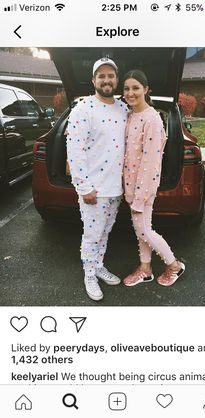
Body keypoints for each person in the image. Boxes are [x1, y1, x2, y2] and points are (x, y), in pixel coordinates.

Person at [66, 58, 128, 301]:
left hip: (116, 188)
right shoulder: (83, 109)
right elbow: (75, 149)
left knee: (105, 232)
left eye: (110, 75)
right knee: (91, 234)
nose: (106, 80)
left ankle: (98, 266)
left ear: (116, 80)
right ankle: (89, 274)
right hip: (94, 189)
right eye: (101, 76)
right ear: (93, 81)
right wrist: (83, 187)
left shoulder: (123, 109)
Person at [122, 69, 185, 287]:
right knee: (141, 229)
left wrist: (140, 196)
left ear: (146, 90)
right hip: (131, 187)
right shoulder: (131, 115)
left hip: (144, 188)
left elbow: (150, 163)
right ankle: (145, 269)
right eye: (127, 88)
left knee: (144, 230)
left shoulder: (152, 119)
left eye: (136, 88)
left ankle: (174, 265)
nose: (131, 93)